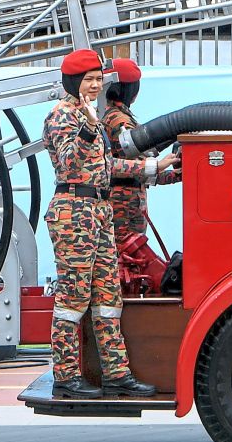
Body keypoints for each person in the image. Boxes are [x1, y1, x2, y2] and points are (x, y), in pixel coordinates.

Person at [43, 50, 179, 399]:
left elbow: (110, 169)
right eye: (87, 80)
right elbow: (71, 161)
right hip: (73, 211)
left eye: (97, 81)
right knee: (73, 298)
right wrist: (90, 127)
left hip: (101, 212)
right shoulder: (63, 116)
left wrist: (158, 166)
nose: (93, 86)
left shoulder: (93, 117)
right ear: (72, 82)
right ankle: (66, 376)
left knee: (108, 297)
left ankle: (117, 374)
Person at [103, 58, 182, 295]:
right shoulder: (118, 120)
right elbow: (137, 162)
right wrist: (161, 166)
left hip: (130, 206)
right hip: (123, 210)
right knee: (127, 261)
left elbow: (144, 169)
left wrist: (174, 174)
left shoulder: (117, 117)